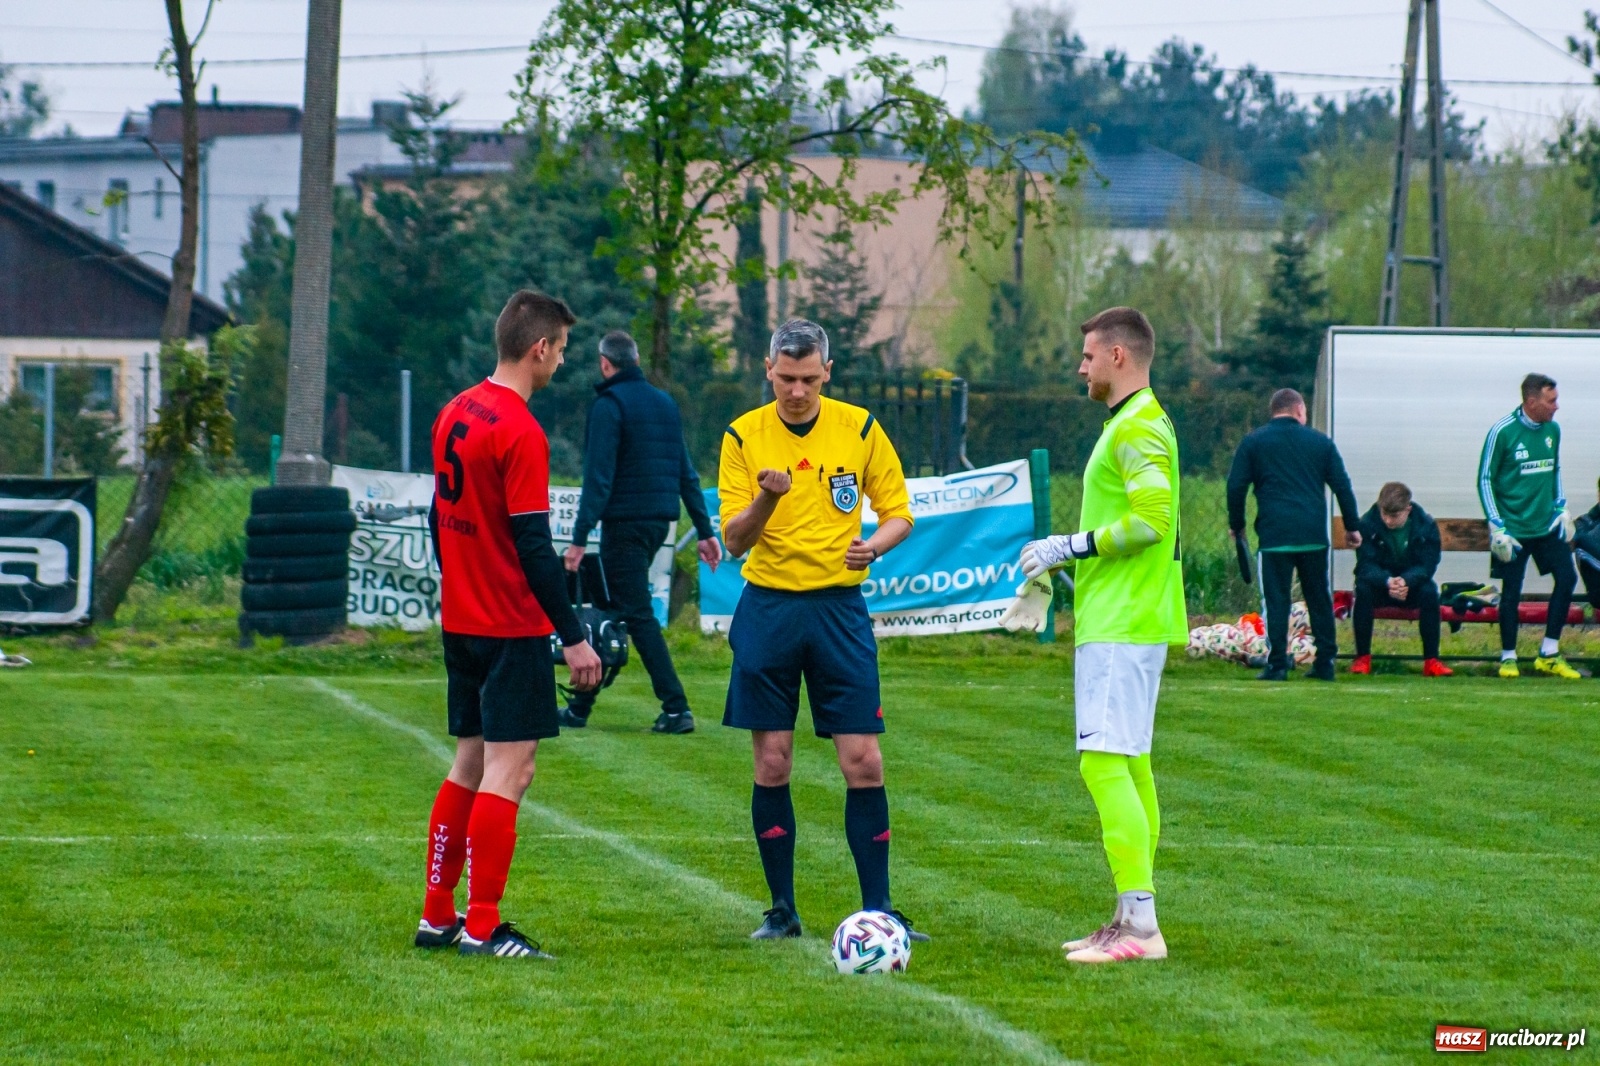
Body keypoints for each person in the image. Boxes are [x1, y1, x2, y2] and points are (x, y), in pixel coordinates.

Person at [718, 318, 925, 943]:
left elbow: (899, 514)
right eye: (786, 379)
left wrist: (874, 548)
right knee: (773, 761)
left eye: (809, 379)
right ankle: (781, 911)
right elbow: (734, 539)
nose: (797, 391)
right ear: (767, 370)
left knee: (863, 760)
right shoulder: (743, 436)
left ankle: (881, 912)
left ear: (827, 373)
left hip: (839, 611)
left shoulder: (859, 427)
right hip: (770, 610)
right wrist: (768, 500)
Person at [416, 289, 603, 959]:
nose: (561, 362)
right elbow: (532, 546)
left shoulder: (453, 410)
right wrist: (575, 635)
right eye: (561, 350)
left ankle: (438, 916)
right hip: (506, 625)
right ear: (539, 349)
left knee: (468, 761)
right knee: (510, 772)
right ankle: (483, 925)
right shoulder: (519, 429)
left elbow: (441, 521)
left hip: (461, 619)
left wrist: (460, 582)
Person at [1018, 307, 1187, 965]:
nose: (1080, 367)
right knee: (1130, 762)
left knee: (1102, 761)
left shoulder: (1137, 426)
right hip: (1128, 616)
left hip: (1123, 620)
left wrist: (1069, 545)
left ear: (1119, 356)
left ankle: (1141, 928)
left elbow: (1153, 520)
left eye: (1088, 355)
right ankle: (1129, 916)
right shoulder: (1138, 421)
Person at [561, 330, 723, 734]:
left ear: (605, 363)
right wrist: (704, 530)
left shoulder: (608, 405)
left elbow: (598, 478)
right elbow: (686, 472)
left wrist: (579, 538)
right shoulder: (664, 403)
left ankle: (676, 708)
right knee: (615, 608)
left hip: (625, 525)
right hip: (658, 524)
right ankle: (580, 706)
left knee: (634, 613)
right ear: (636, 360)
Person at [1226, 388, 1362, 682]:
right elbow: (1342, 485)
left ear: (1274, 411)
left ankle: (1276, 664)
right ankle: (1325, 662)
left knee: (1276, 601)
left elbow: (1235, 486)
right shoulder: (1320, 443)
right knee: (1318, 599)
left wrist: (1237, 524)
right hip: (1313, 534)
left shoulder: (1254, 443)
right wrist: (1352, 526)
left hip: (1275, 536)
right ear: (1300, 411)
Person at [1479, 373, 1580, 679]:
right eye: (1552, 401)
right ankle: (1508, 657)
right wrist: (1497, 526)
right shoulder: (1502, 432)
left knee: (1567, 578)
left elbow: (1554, 468)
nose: (1557, 407)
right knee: (1512, 591)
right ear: (1532, 401)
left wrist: (1561, 507)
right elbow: (1485, 479)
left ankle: (1548, 652)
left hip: (1545, 527)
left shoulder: (1553, 430)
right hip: (1513, 531)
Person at [1349, 482, 1452, 677]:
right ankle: (1362, 658)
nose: (1387, 520)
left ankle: (1432, 660)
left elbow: (1428, 565)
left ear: (1408, 509)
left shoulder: (1426, 526)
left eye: (1394, 516)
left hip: (1410, 587)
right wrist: (1388, 581)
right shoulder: (1367, 524)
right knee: (1362, 589)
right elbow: (1365, 566)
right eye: (1384, 514)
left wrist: (1405, 581)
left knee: (1430, 592)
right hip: (1381, 586)